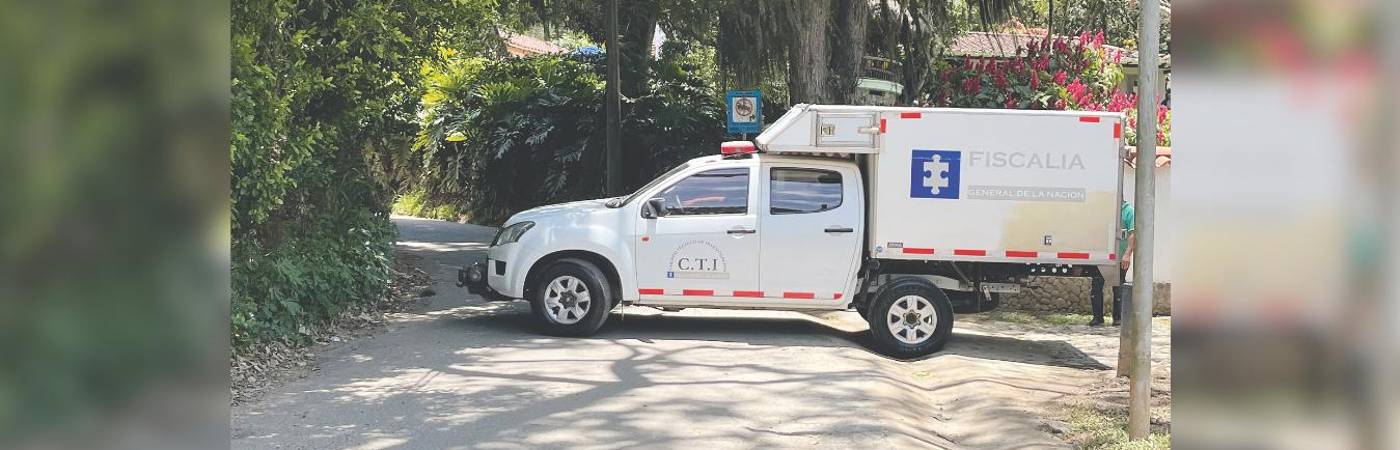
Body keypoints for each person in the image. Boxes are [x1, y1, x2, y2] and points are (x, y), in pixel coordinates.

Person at [1088, 200, 1135, 326]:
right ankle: (1097, 317)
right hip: (1103, 256)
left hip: (1120, 257)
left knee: (1118, 288)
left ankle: (1118, 318)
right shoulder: (1105, 209)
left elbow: (1133, 234)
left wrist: (1127, 254)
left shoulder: (1129, 211)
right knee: (1096, 286)